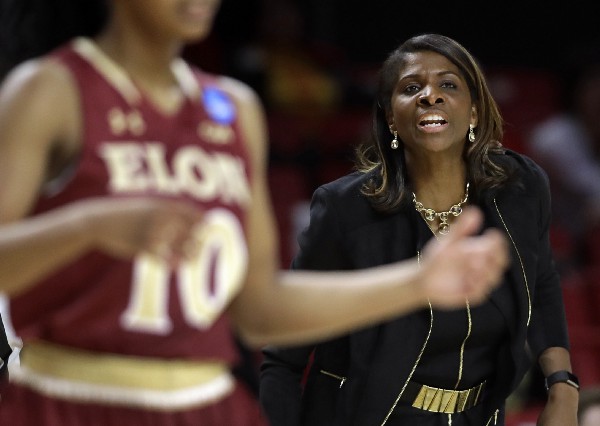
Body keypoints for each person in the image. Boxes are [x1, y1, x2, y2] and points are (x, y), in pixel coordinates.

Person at [0, 2, 509, 425]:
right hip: (67, 397)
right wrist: (90, 225)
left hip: (206, 403)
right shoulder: (49, 90)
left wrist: (418, 282)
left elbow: (259, 307)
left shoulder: (235, 107)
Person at [259, 33, 579, 426]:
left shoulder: (521, 188)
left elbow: (542, 281)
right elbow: (283, 357)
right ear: (391, 117)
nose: (430, 95)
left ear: (475, 112)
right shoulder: (345, 209)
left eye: (448, 84)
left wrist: (562, 385)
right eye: (412, 88)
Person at [527, 44, 600, 268]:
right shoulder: (553, 138)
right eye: (595, 86)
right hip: (557, 252)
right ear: (578, 90)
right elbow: (592, 189)